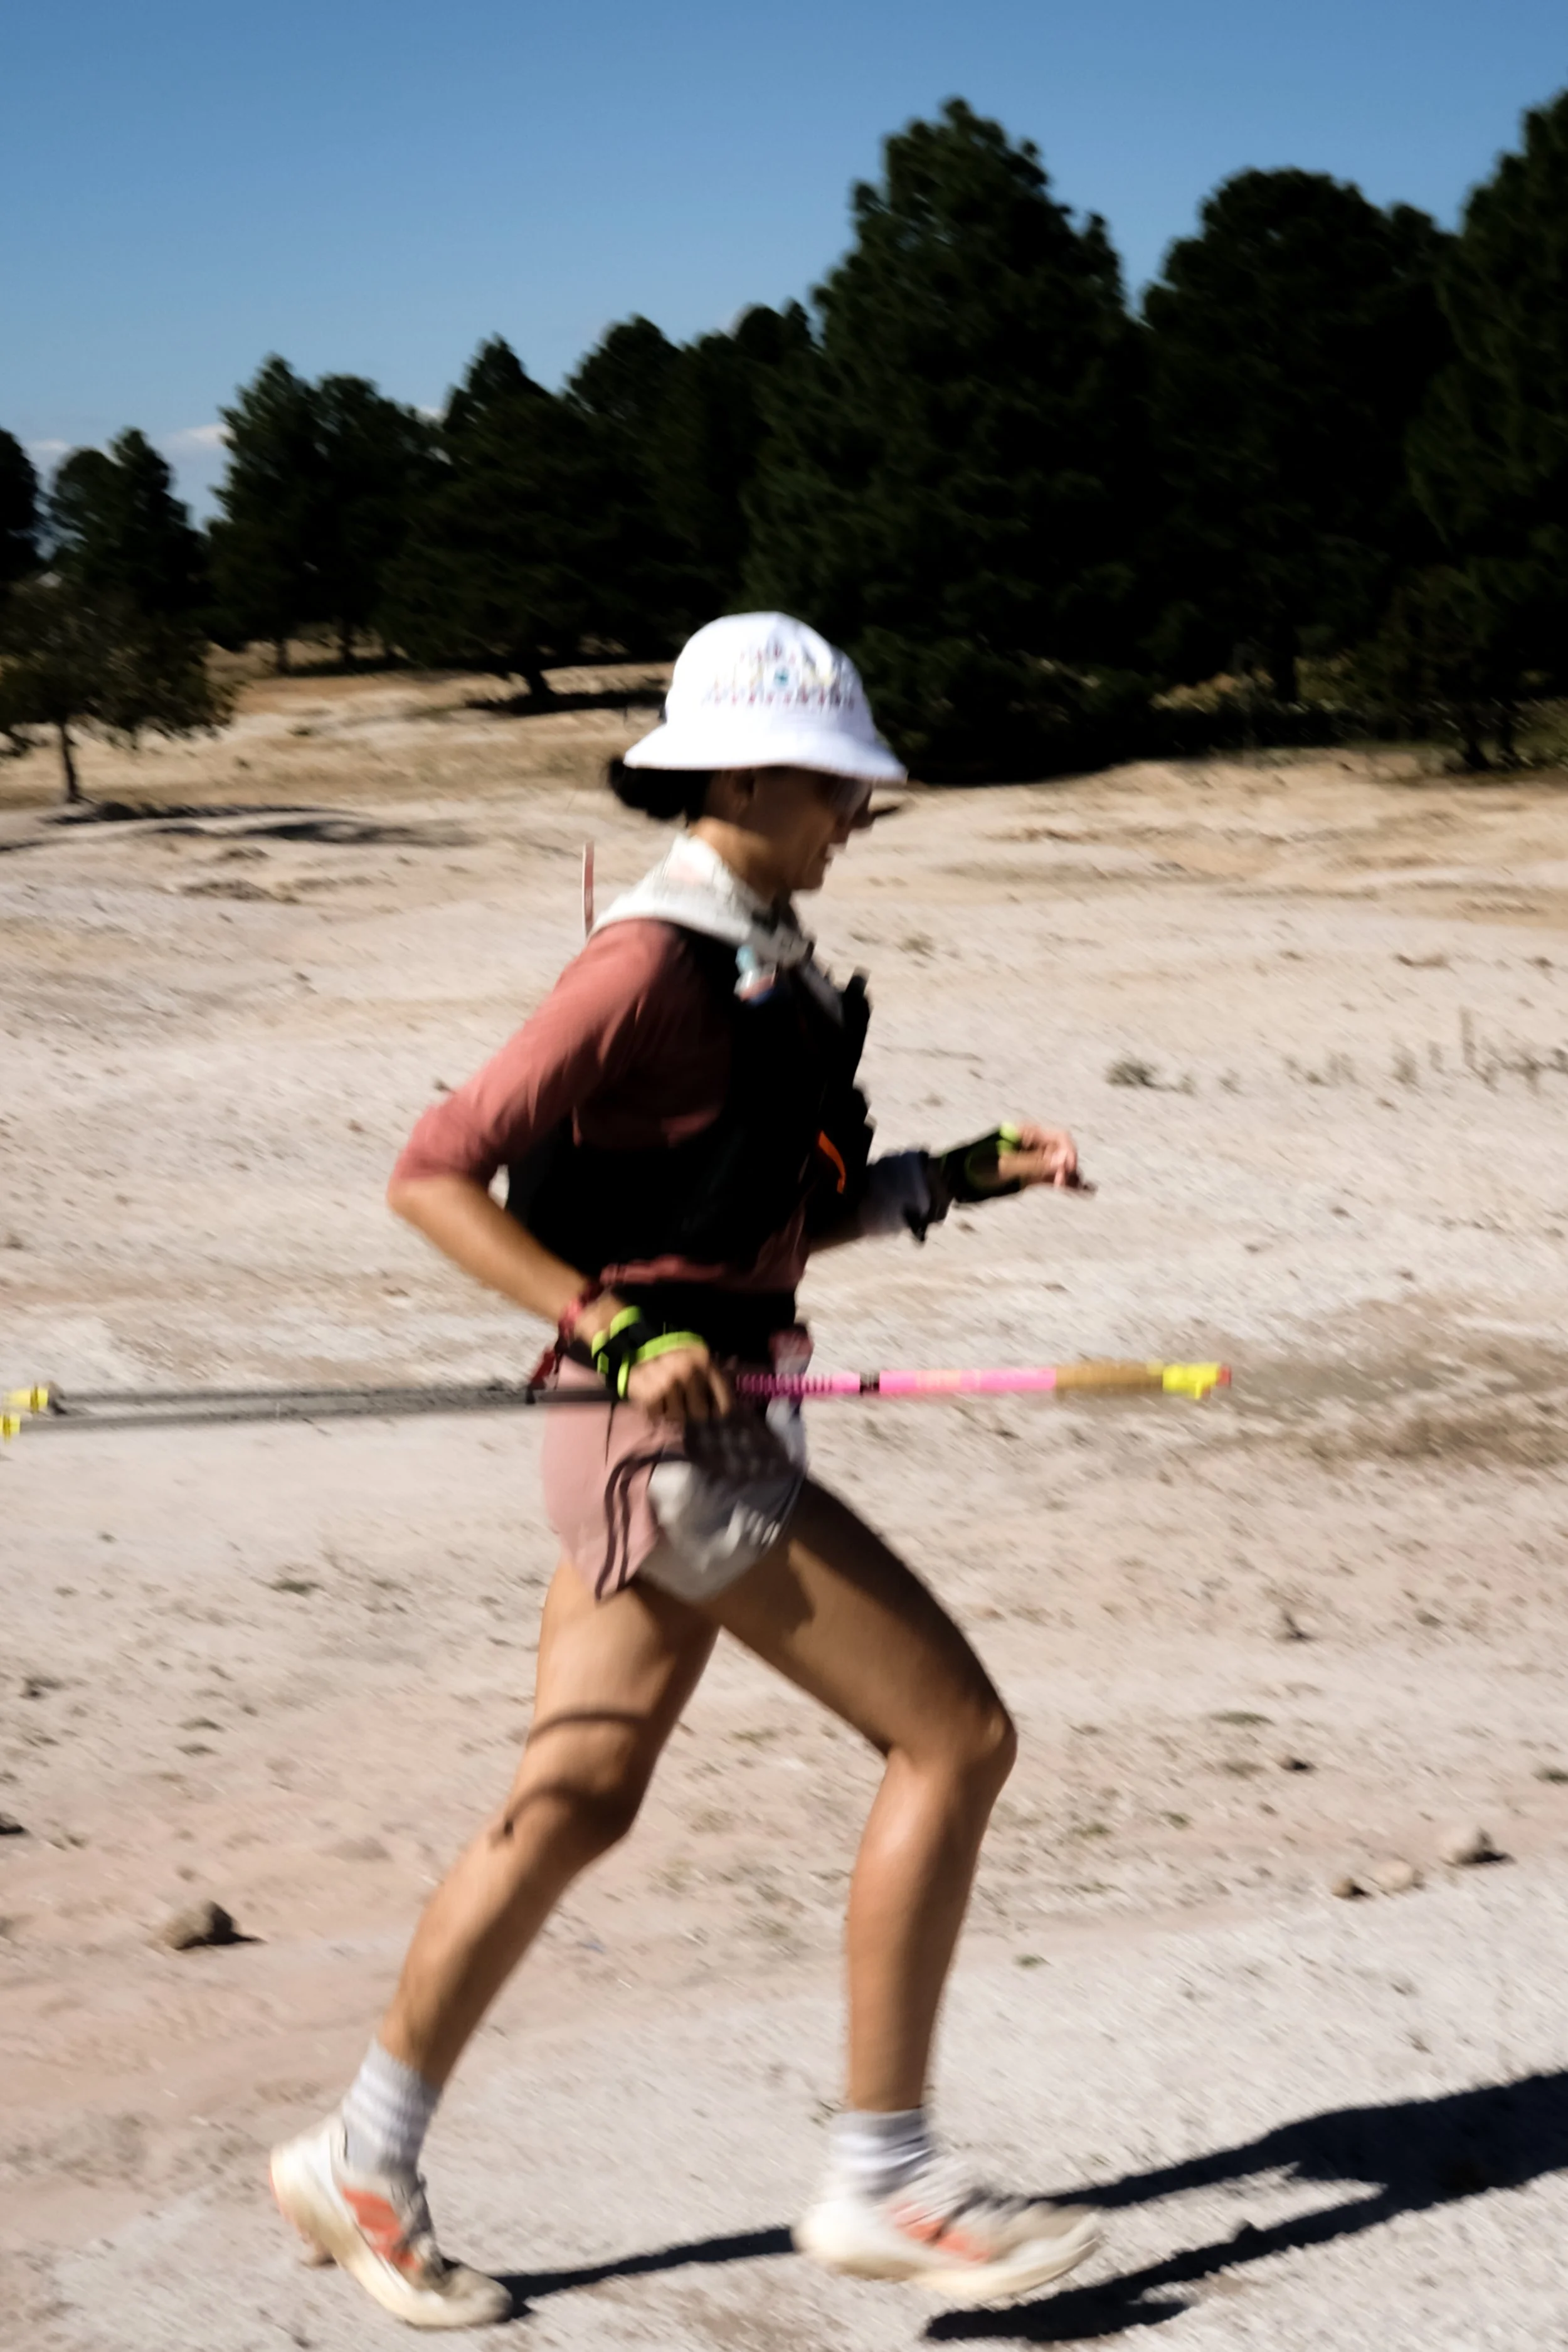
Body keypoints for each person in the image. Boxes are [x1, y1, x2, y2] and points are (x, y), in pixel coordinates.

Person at [269, 612, 1099, 2328]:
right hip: (667, 1437)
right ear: (738, 775)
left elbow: (754, 1225)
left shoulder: (764, 962)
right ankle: (886, 2175)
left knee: (576, 1797)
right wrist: (615, 1327)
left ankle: (360, 2155)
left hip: (674, 1424)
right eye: (831, 784)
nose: (857, 813)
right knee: (957, 1736)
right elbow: (433, 1171)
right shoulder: (643, 964)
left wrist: (950, 1173)